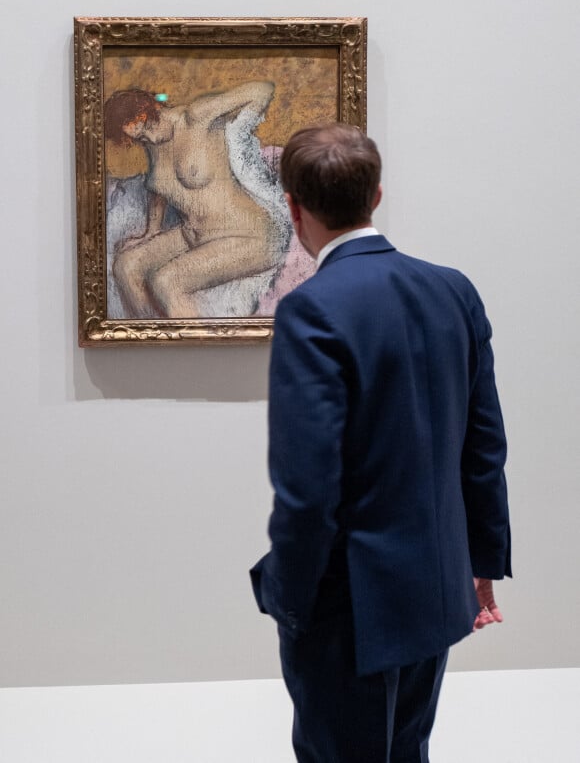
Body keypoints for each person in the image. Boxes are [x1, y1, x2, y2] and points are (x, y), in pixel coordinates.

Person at [250, 123, 511, 762]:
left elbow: (308, 485)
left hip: (348, 600)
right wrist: (482, 561)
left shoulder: (312, 308)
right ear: (378, 193)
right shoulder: (452, 288)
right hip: (436, 584)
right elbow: (484, 444)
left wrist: (290, 598)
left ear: (293, 206)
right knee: (406, 750)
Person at [104, 82, 291, 319]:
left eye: (148, 127)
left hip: (248, 234)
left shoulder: (197, 116)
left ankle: (187, 350)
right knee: (125, 266)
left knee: (167, 282)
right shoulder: (152, 142)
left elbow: (262, 90)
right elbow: (160, 187)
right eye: (140, 137)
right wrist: (151, 231)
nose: (149, 138)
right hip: (195, 234)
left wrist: (241, 133)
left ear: (151, 108)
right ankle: (152, 340)